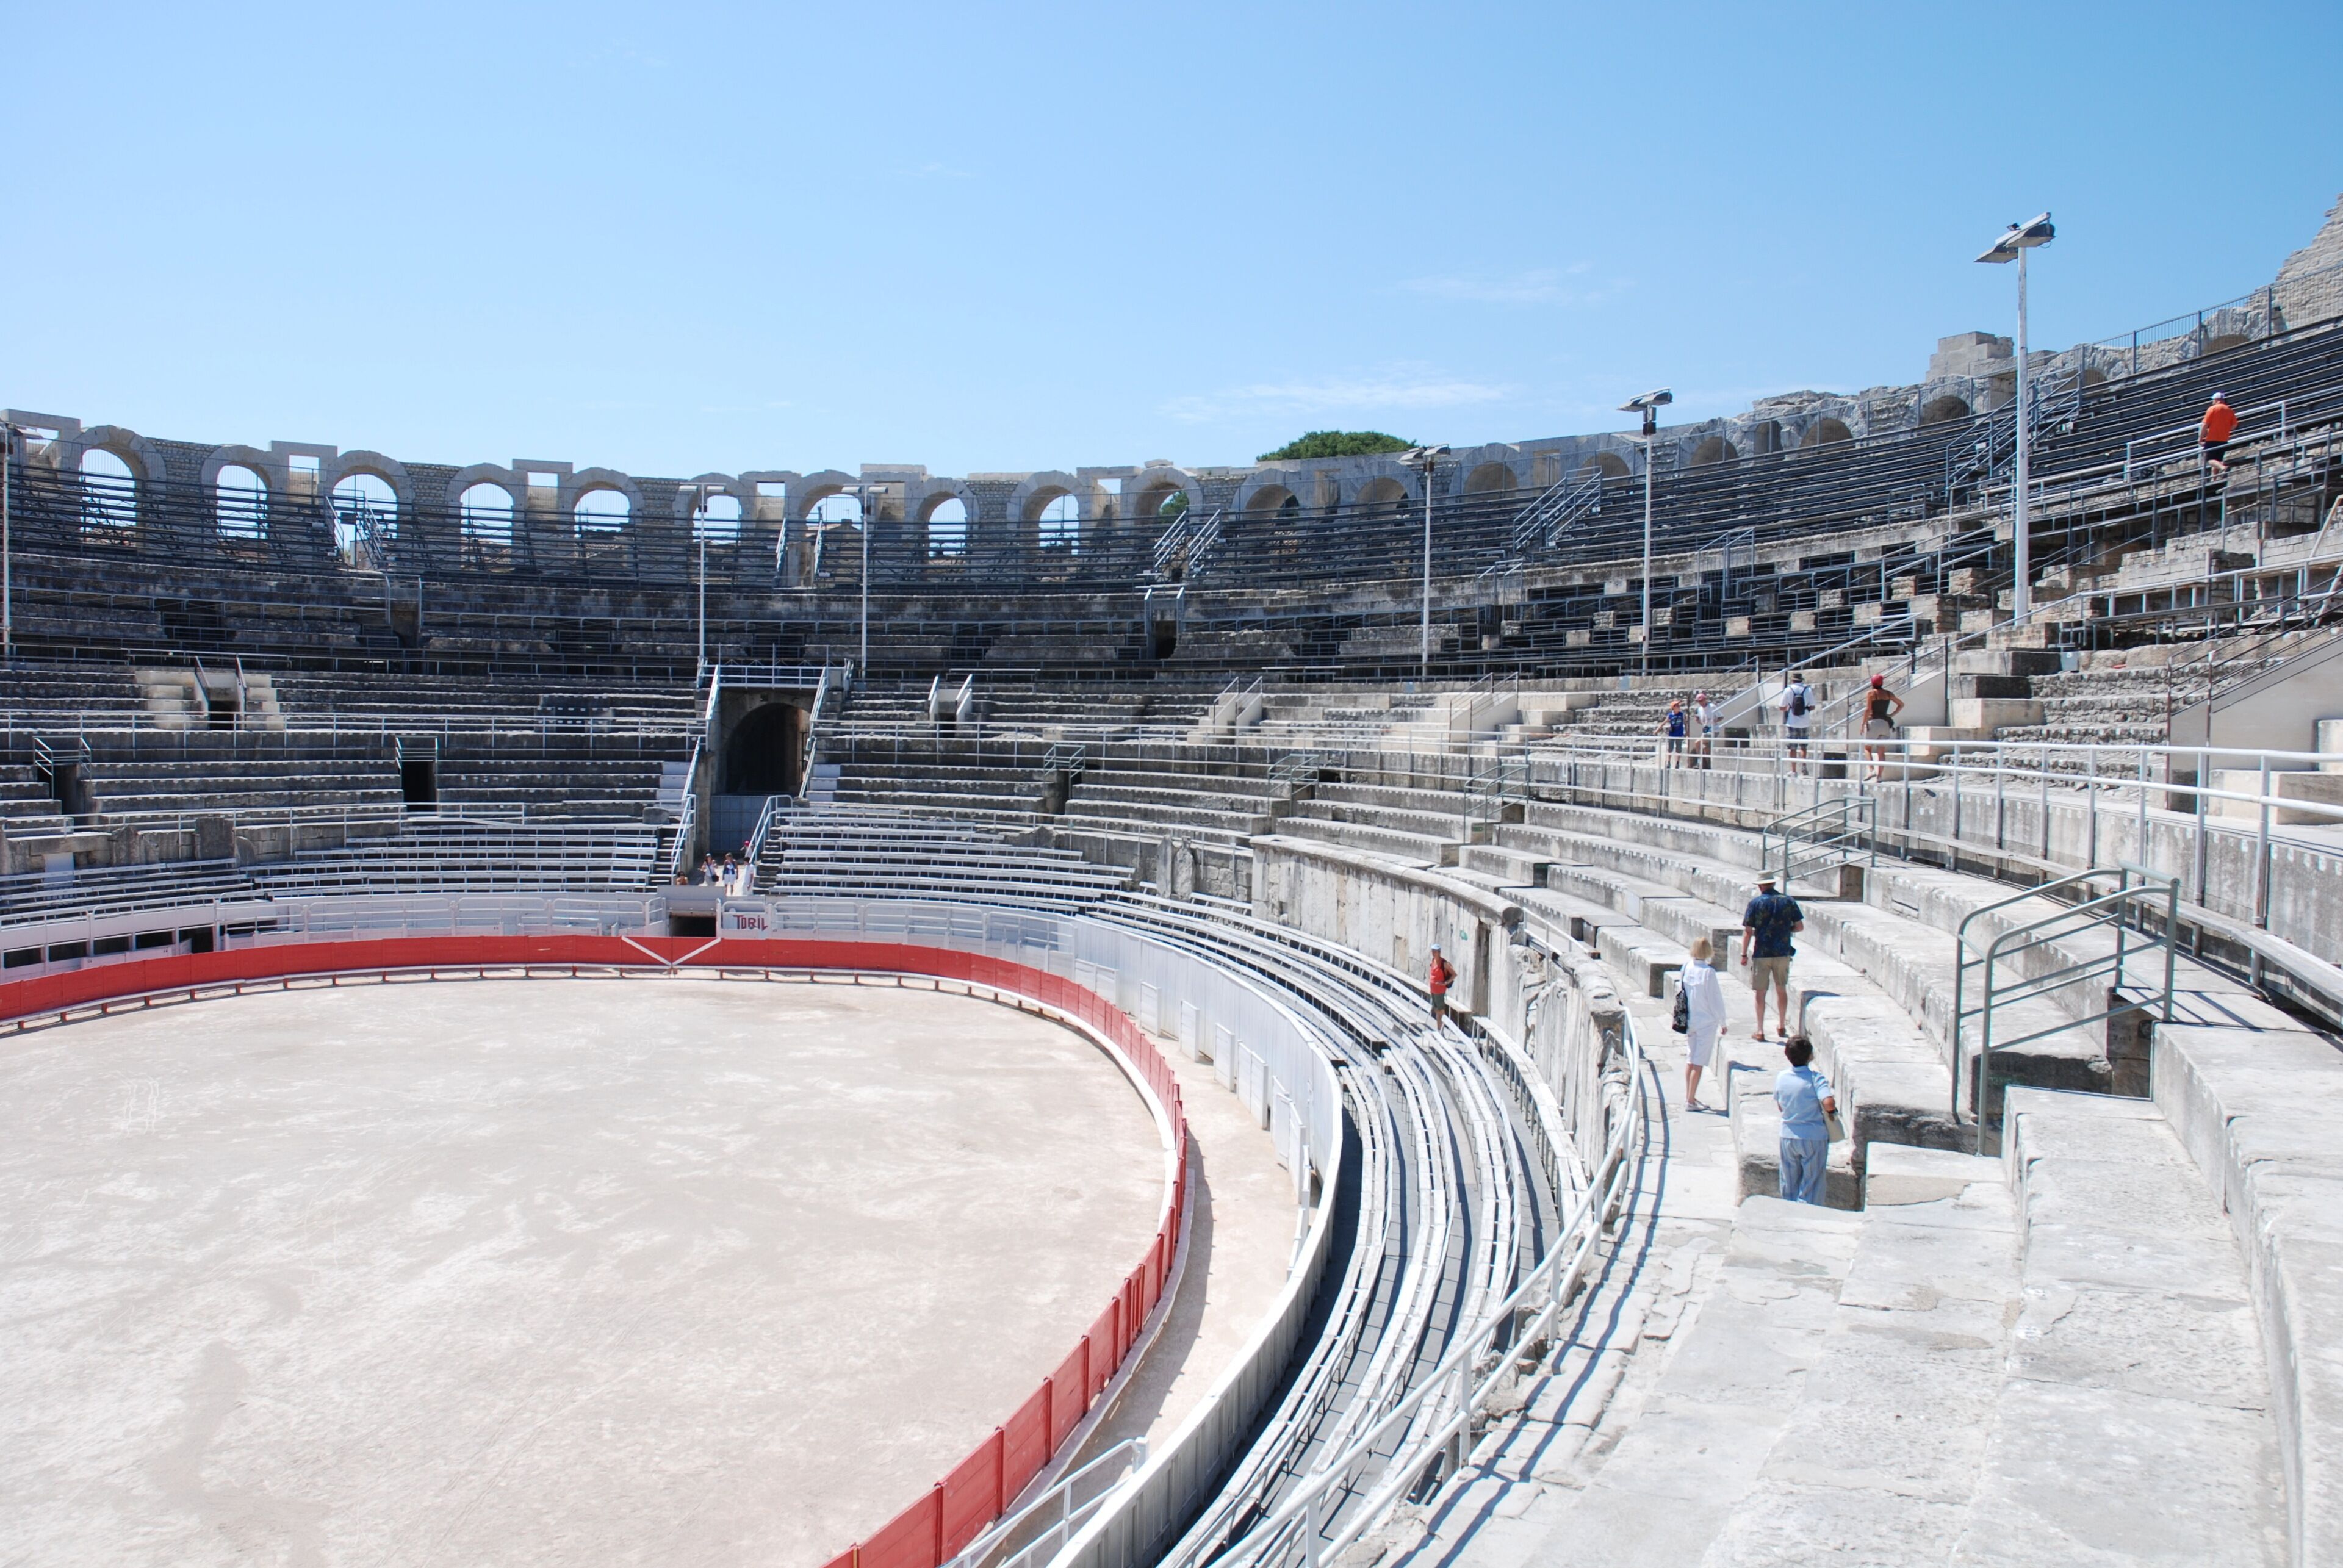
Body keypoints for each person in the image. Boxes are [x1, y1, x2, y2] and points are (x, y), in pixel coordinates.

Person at [1739, 872, 1804, 1041]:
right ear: (1773, 884)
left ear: (1761, 886)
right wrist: (1784, 931)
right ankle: (1781, 1025)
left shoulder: (1755, 903)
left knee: (1760, 992)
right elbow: (1799, 927)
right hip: (1782, 952)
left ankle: (1760, 1030)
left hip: (1762, 953)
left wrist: (1744, 954)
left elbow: (1748, 932)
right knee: (1781, 989)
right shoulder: (1788, 901)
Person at [1774, 1036, 1838, 1206]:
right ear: (1810, 1056)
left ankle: (1789, 1212)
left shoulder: (1782, 1077)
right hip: (1813, 1137)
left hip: (1788, 1136)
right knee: (1812, 1184)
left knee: (1789, 1182)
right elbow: (1828, 1102)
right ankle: (1807, 1217)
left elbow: (1781, 1105)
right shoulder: (1816, 1078)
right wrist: (1832, 1113)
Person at [1680, 937, 1727, 1111]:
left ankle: (1689, 1097)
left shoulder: (1686, 968)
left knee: (1691, 1059)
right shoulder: (1709, 973)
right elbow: (1715, 1000)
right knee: (1698, 1062)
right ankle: (1690, 1101)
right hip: (1706, 1022)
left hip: (1690, 1020)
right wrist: (1723, 1021)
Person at [1860, 673, 1905, 782]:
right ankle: (1879, 777)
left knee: (1867, 748)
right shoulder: (1888, 694)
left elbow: (1868, 710)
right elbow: (1901, 704)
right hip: (1885, 724)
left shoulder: (1871, 693)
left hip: (1873, 723)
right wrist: (1891, 715)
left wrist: (1863, 723)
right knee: (1881, 751)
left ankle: (1871, 771)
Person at [1777, 671, 1813, 768]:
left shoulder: (1788, 690)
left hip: (1792, 722)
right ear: (1801, 680)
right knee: (1803, 747)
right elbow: (1813, 706)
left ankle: (1794, 770)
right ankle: (1804, 766)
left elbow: (1781, 707)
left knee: (1792, 748)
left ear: (1792, 681)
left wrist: (1789, 708)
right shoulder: (1808, 690)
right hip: (1805, 722)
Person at [2201, 392, 2238, 474]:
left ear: (2217, 400)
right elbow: (2234, 425)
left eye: (2213, 400)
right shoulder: (2229, 410)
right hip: (2223, 439)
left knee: (2209, 460)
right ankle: (2214, 479)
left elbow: (2205, 424)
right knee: (2217, 461)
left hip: (2212, 438)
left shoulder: (2212, 409)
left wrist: (2200, 439)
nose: (2212, 402)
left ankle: (2223, 467)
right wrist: (2225, 429)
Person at [1427, 943, 1456, 1029]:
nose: (1434, 953)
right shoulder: (1433, 961)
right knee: (1437, 1010)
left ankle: (1442, 1030)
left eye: (1435, 952)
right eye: (1433, 951)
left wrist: (1445, 983)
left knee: (1441, 1010)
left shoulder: (1444, 963)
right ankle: (1439, 1029)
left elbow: (1454, 974)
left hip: (1440, 991)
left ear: (1439, 952)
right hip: (1433, 990)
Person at [1690, 690, 1715, 768]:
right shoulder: (1700, 709)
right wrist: (1698, 720)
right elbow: (1702, 721)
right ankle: (1707, 764)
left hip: (1713, 730)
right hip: (1705, 731)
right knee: (1705, 747)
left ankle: (1700, 762)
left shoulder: (1712, 707)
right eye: (1698, 701)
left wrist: (1714, 722)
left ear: (1705, 700)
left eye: (1701, 701)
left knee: (1698, 743)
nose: (1700, 703)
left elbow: (1721, 717)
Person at [1660, 698, 1688, 764]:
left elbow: (1685, 723)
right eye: (1677, 706)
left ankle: (1677, 763)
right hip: (1672, 734)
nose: (1679, 707)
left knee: (1679, 750)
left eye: (1679, 706)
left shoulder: (1681, 714)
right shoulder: (1670, 715)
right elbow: (1664, 722)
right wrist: (1657, 730)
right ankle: (1669, 762)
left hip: (1679, 734)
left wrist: (1687, 732)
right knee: (1670, 749)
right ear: (1674, 708)